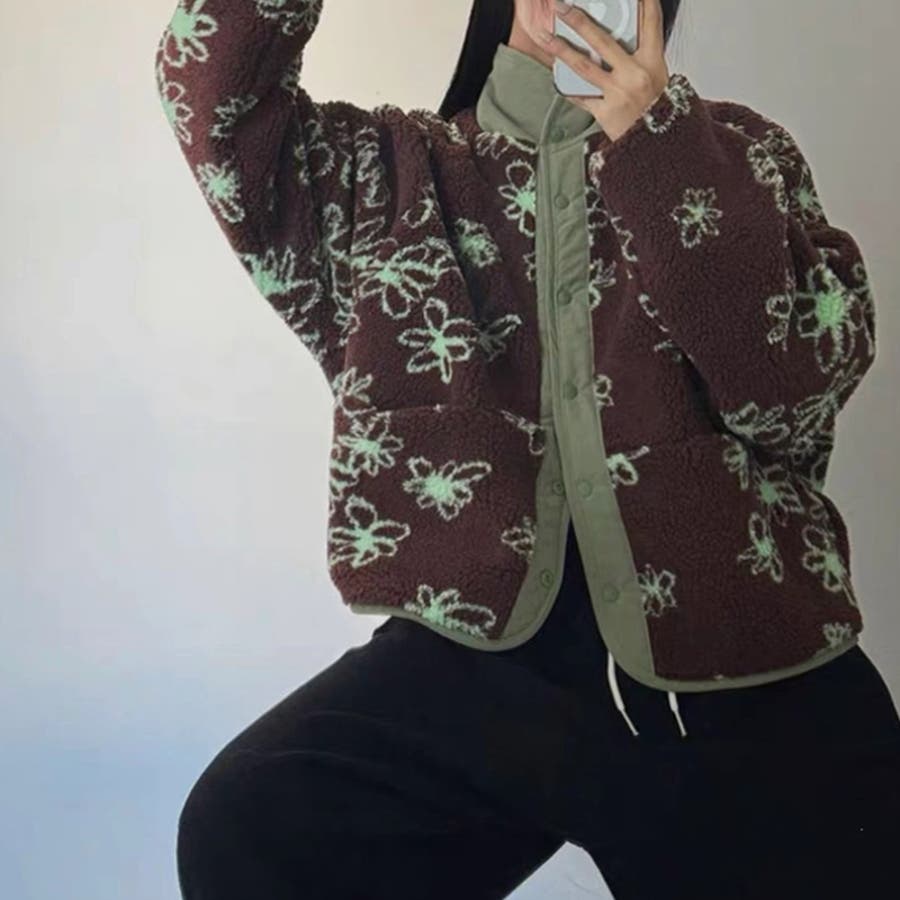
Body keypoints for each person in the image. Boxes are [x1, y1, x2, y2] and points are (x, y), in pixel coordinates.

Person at [154, 0, 900, 896]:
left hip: (747, 643)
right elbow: (213, 97)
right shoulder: (381, 175)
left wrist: (658, 147)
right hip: (478, 659)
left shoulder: (743, 154)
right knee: (254, 823)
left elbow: (794, 394)